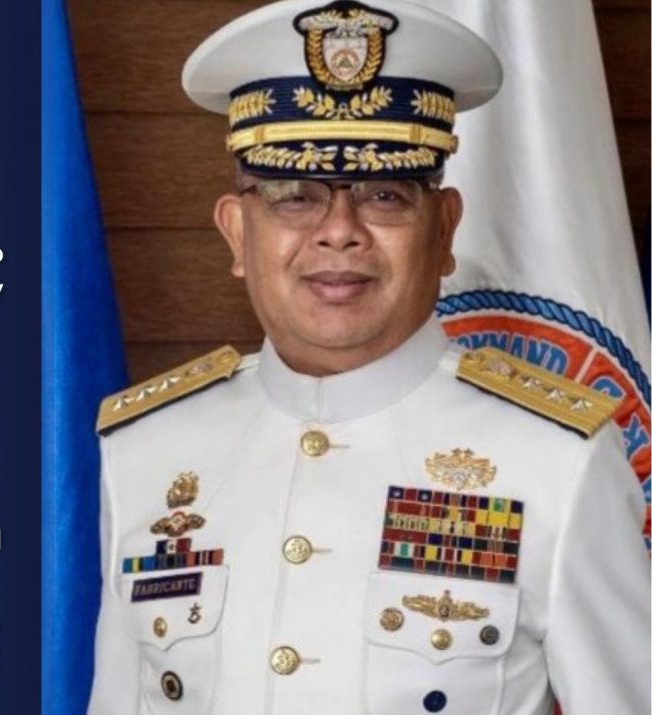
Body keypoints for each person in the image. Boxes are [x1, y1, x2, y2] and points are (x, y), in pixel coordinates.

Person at [85, 1, 651, 713]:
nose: (339, 232)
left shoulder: (556, 459)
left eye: (385, 194)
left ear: (444, 231)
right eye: (294, 196)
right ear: (237, 234)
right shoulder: (146, 452)